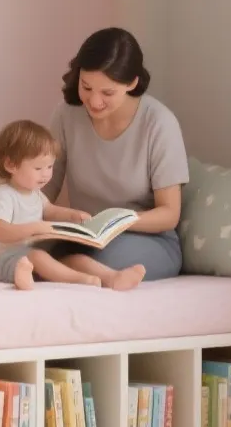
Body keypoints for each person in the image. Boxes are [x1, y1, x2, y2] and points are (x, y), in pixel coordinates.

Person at [45, 27, 187, 282]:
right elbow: (44, 186)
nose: (94, 101)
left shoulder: (159, 123)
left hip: (147, 240)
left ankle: (97, 275)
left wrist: (119, 222)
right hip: (83, 237)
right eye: (86, 87)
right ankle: (68, 266)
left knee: (90, 258)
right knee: (25, 252)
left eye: (107, 93)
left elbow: (169, 213)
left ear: (132, 82)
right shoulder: (67, 114)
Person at [0, 120, 145, 291]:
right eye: (38, 168)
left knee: (75, 259)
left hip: (35, 253)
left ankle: (113, 277)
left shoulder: (34, 194)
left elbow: (50, 210)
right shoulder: (4, 194)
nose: (45, 174)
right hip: (3, 258)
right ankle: (80, 280)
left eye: (50, 166)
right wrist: (36, 228)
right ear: (11, 165)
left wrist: (73, 216)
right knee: (36, 257)